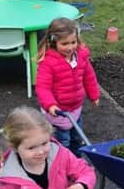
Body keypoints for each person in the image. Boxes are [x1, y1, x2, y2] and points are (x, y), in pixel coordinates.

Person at [0, 105, 96, 189]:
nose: (41, 151)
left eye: (45, 143)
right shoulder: (10, 178)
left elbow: (85, 171)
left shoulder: (60, 154)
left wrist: (82, 185)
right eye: (31, 148)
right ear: (14, 147)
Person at [36, 18, 100, 157]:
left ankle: (76, 163)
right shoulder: (48, 62)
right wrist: (50, 105)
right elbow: (42, 87)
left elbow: (88, 76)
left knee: (77, 139)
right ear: (54, 42)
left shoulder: (80, 56)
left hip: (75, 108)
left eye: (73, 42)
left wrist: (94, 95)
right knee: (62, 143)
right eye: (64, 43)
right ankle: (60, 166)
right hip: (58, 112)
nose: (70, 47)